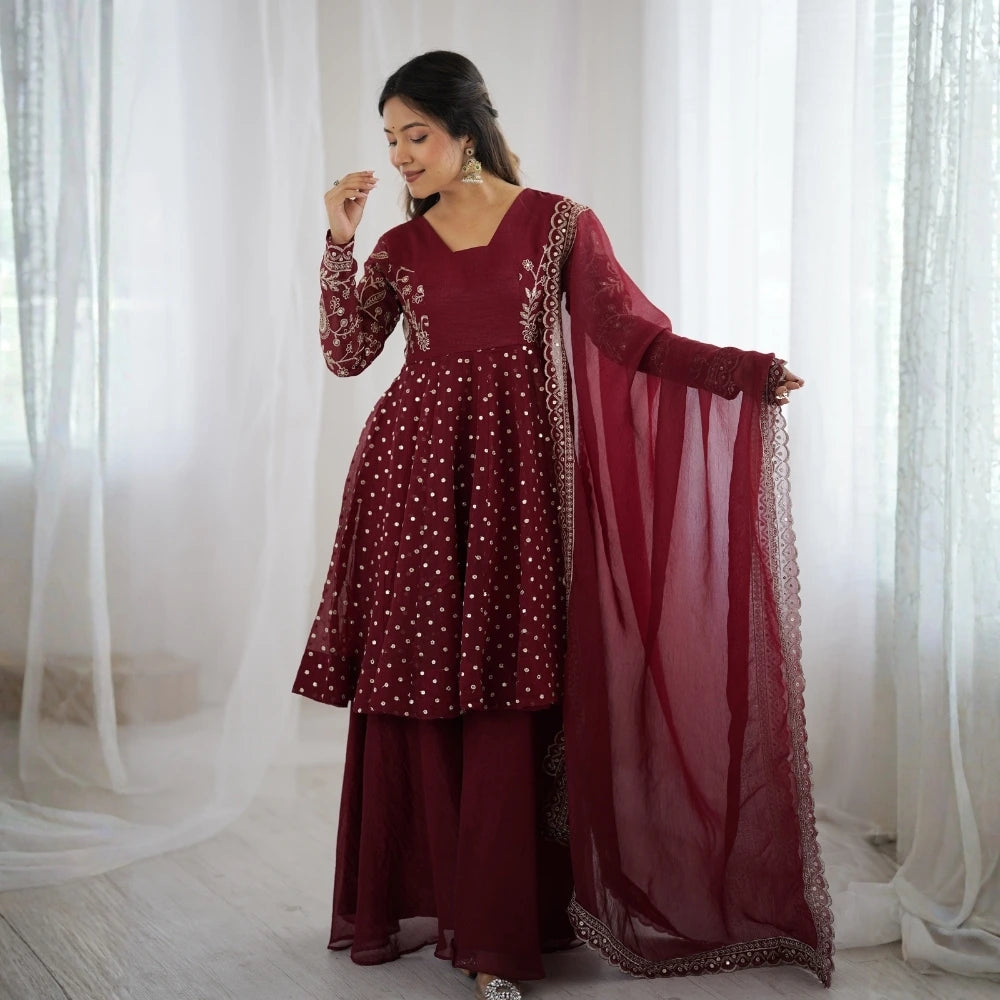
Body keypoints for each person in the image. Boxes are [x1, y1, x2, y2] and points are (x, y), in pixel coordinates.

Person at [293, 51, 833, 1000]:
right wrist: (338, 241)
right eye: (389, 139)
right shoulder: (398, 247)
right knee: (423, 687)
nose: (400, 156)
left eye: (415, 134)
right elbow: (347, 355)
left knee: (507, 687)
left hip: (514, 487)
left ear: (467, 127)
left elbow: (633, 334)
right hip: (410, 482)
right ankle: (445, 907)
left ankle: (501, 935)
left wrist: (738, 373)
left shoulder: (557, 225)